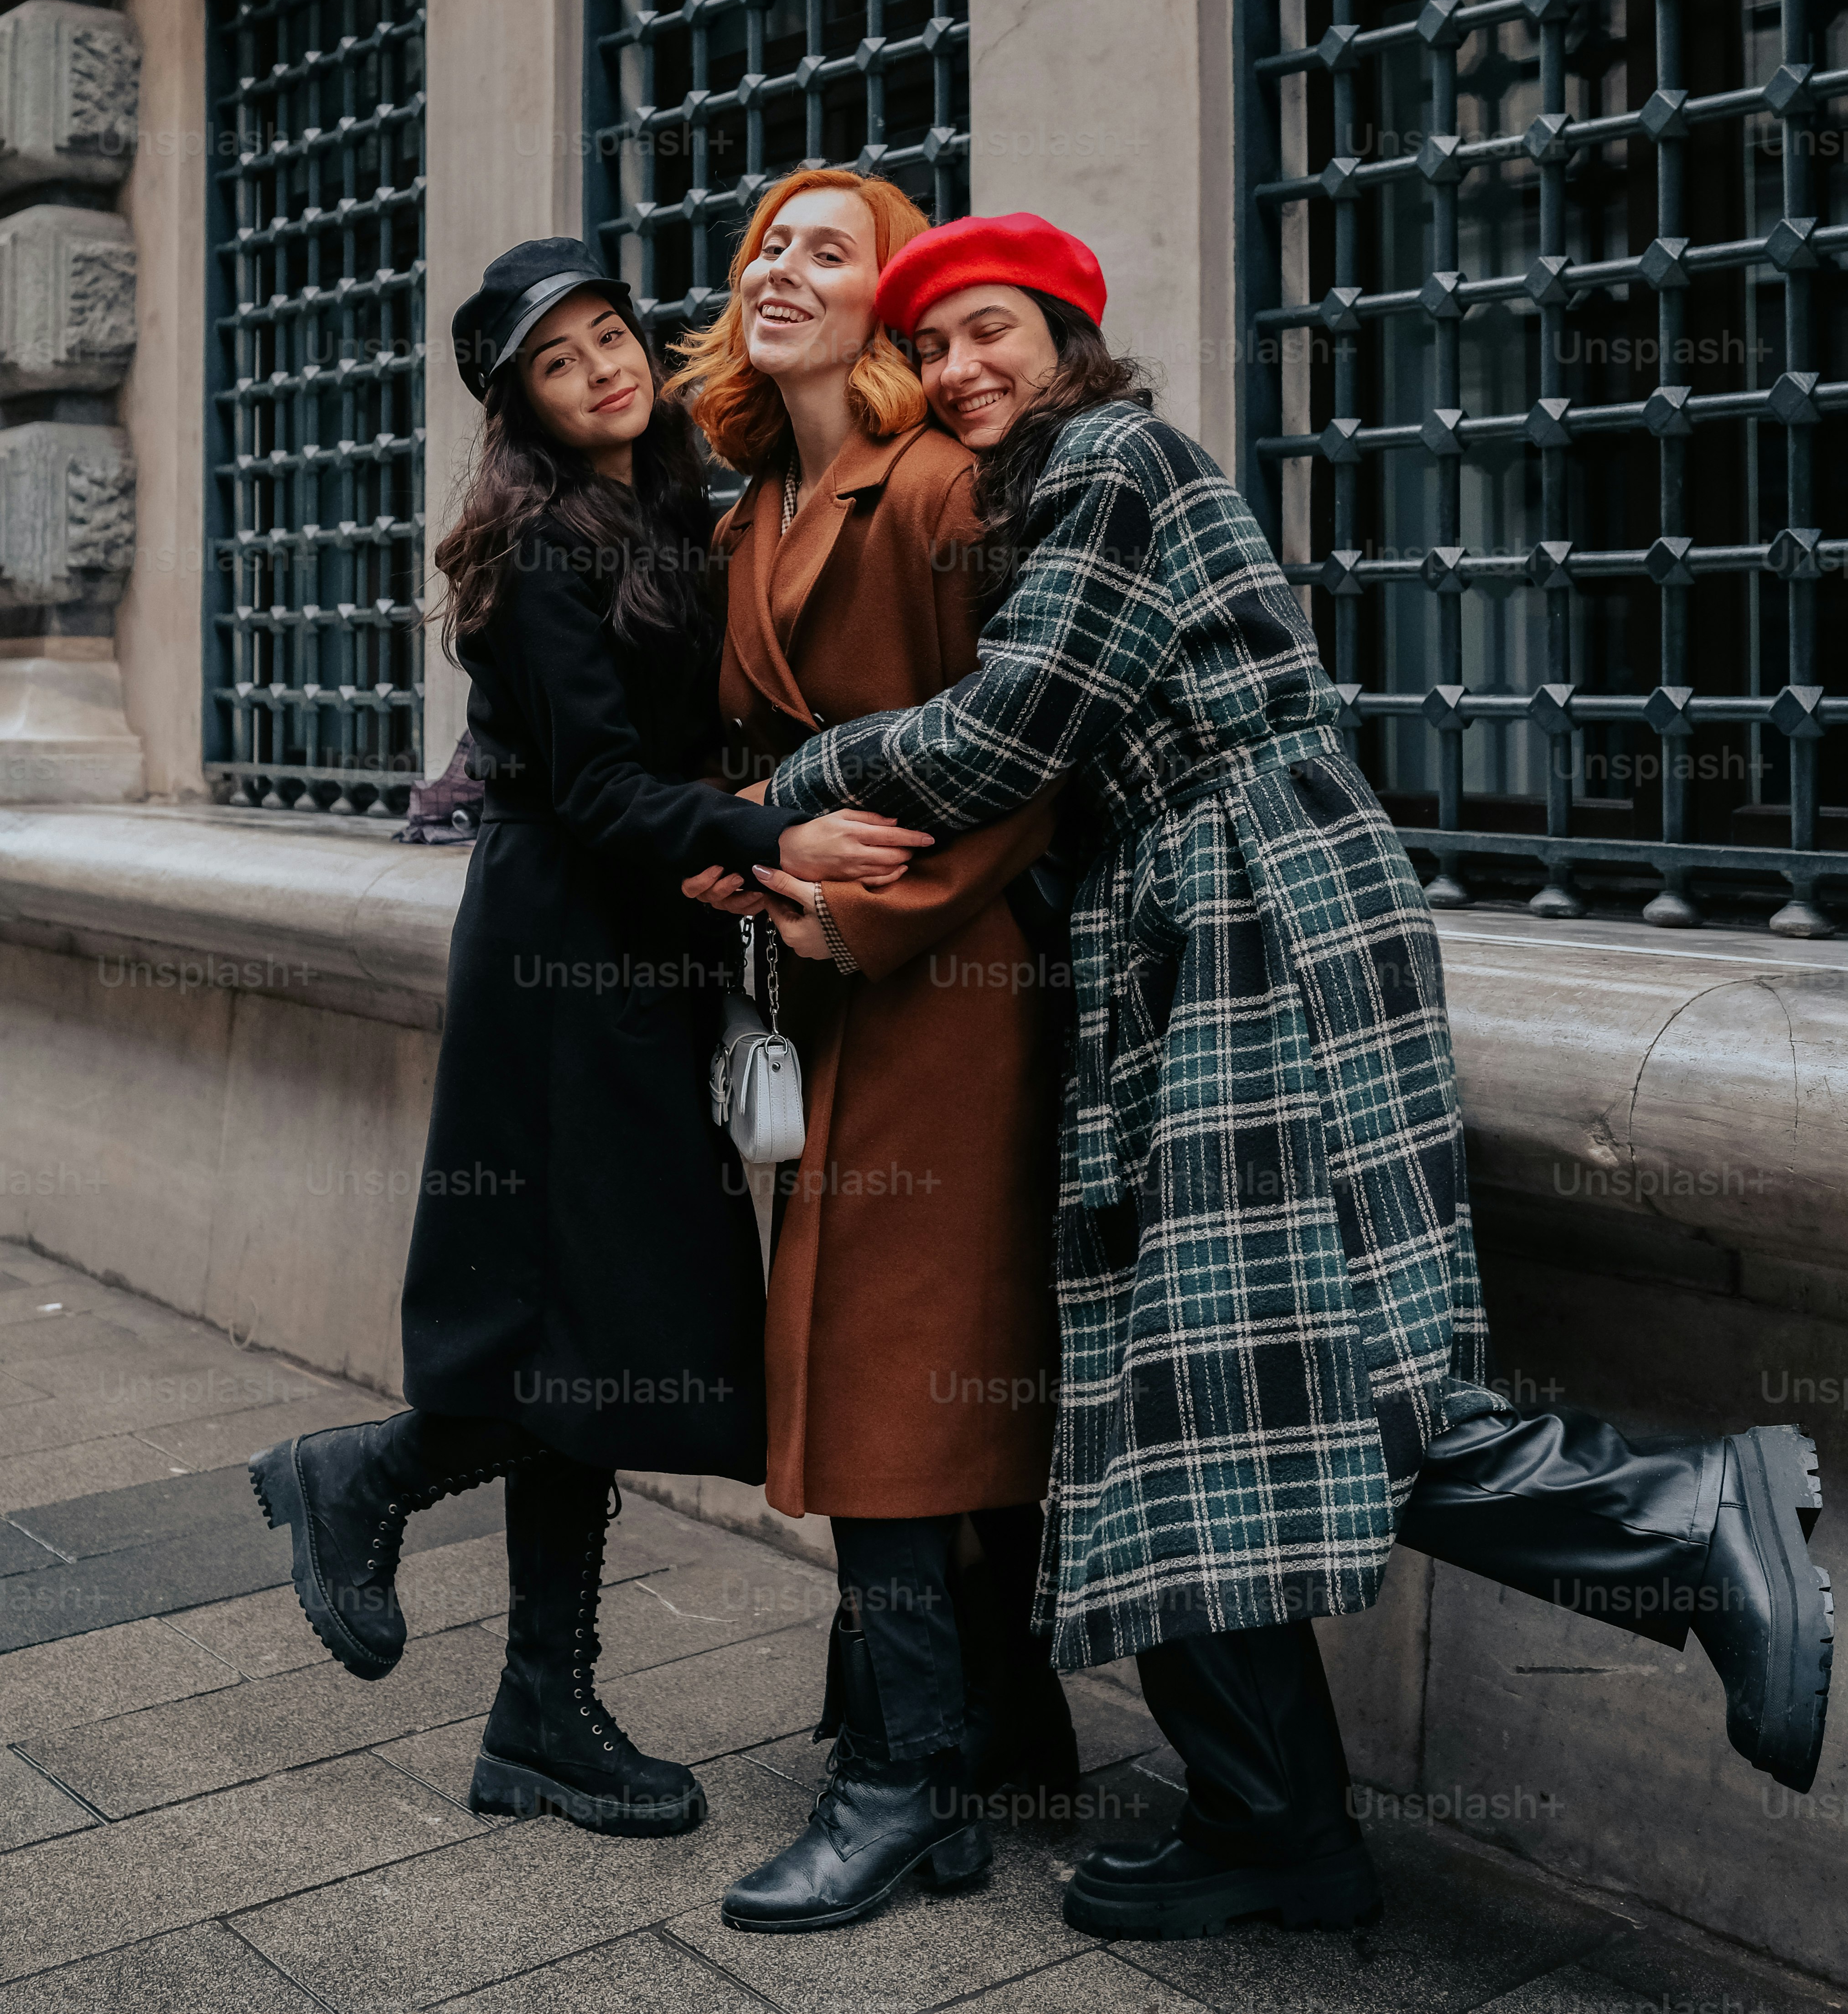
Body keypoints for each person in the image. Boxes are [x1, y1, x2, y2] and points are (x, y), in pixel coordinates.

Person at [763, 207, 1835, 1942]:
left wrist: (793, 781)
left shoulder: (1112, 461)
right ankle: (1273, 1822)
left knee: (1320, 1374)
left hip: (1260, 907)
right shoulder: (1040, 493)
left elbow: (1010, 730)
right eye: (934, 346)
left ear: (1068, 335)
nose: (960, 369)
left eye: (991, 332)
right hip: (1180, 926)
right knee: (1190, 1394)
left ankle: (1686, 1512)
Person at [250, 238, 926, 1839]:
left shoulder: (677, 509)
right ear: (526, 411)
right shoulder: (541, 551)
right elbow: (605, 790)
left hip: (639, 944)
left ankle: (538, 1716)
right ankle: (371, 1475)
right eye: (558, 365)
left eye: (609, 336)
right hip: (562, 962)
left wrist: (737, 841)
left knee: (591, 1323)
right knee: (605, 1314)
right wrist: (777, 836)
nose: (602, 371)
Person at [664, 166, 1077, 1932]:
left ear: (887, 303)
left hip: (951, 987)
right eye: (766, 244)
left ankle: (907, 1783)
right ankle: (998, 1740)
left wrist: (863, 913)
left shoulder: (937, 487)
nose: (779, 267)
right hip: (820, 988)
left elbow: (1030, 756)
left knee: (892, 1378)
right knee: (881, 1365)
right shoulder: (745, 515)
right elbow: (734, 765)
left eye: (826, 250)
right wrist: (744, 850)